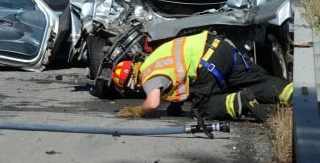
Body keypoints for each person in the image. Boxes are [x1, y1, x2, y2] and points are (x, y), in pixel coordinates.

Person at [113, 30, 293, 122]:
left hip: (206, 62)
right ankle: (293, 93)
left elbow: (153, 103)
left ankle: (240, 101)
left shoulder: (148, 76)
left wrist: (138, 111)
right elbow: (179, 72)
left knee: (203, 108)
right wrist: (175, 106)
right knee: (257, 82)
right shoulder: (153, 59)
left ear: (130, 83)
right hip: (220, 47)